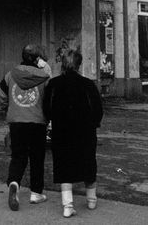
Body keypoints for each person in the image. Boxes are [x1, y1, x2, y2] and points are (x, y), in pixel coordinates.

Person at [43, 49, 103, 218]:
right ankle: (91, 200)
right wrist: (94, 123)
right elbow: (98, 109)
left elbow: (46, 108)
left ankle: (67, 205)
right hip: (85, 131)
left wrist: (50, 120)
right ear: (79, 64)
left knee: (64, 165)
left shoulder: (54, 84)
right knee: (88, 162)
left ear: (63, 64)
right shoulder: (88, 84)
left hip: (62, 130)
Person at [0, 44, 52, 211]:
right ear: (38, 59)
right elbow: (49, 99)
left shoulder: (10, 74)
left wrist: (8, 109)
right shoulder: (44, 77)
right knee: (37, 157)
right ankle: (36, 193)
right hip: (37, 122)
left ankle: (14, 182)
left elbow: (1, 94)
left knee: (18, 155)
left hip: (16, 122)